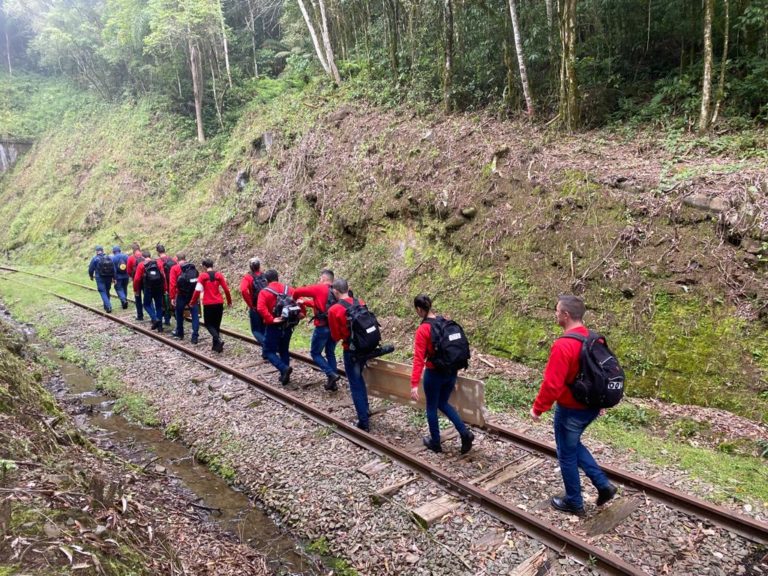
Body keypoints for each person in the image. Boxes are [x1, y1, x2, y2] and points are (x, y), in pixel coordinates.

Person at [530, 295, 618, 515]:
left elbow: (552, 384)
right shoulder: (594, 339)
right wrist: (600, 402)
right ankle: (603, 485)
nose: (556, 314)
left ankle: (574, 502)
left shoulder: (564, 345)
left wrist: (538, 408)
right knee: (573, 445)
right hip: (590, 407)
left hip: (571, 410)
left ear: (566, 315)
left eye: (557, 311)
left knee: (566, 454)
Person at [410, 294, 474, 454]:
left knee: (431, 407)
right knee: (443, 403)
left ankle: (435, 442)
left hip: (434, 374)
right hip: (451, 371)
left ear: (419, 309)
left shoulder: (423, 329)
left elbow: (419, 359)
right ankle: (464, 433)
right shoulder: (444, 321)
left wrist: (414, 384)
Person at [328, 278, 371, 432]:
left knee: (355, 384)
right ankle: (366, 410)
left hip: (350, 350)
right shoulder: (360, 301)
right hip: (366, 347)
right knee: (361, 380)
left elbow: (335, 335)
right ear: (348, 288)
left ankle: (363, 422)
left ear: (335, 291)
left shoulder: (334, 310)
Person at [294, 269, 341, 391]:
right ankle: (332, 383)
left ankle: (331, 373)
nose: (319, 281)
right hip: (335, 328)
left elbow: (298, 291)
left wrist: (294, 300)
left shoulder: (319, 288)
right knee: (330, 352)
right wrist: (305, 302)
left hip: (322, 327)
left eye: (320, 279)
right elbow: (320, 304)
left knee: (315, 353)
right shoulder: (337, 290)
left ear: (324, 279)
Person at [256, 269, 303, 384]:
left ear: (266, 280)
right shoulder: (290, 290)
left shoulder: (264, 292)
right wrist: (301, 315)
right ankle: (284, 377)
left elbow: (260, 308)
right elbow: (300, 304)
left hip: (274, 326)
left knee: (268, 351)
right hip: (288, 325)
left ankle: (284, 369)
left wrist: (271, 319)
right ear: (278, 277)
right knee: (284, 350)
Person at [190, 258, 232, 352]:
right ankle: (216, 347)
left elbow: (197, 291)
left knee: (208, 324)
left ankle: (218, 339)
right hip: (219, 303)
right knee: (216, 325)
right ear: (212, 265)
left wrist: (192, 302)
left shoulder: (202, 276)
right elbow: (226, 289)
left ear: (204, 266)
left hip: (208, 304)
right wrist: (229, 301)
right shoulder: (219, 275)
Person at [169, 253, 200, 344]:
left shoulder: (174, 268)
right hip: (192, 294)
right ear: (185, 258)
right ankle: (195, 336)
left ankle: (180, 333)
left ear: (177, 259)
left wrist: (172, 297)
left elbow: (172, 284)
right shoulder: (192, 268)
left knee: (179, 313)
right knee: (194, 315)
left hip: (181, 295)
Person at [133, 250, 167, 332]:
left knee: (146, 304)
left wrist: (136, 289)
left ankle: (155, 319)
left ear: (142, 257)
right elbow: (163, 276)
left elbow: (137, 279)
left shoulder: (141, 265)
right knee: (158, 306)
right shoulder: (158, 263)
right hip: (159, 288)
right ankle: (160, 327)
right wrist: (165, 288)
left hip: (148, 288)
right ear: (150, 256)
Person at [239, 258, 267, 345]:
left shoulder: (248, 277)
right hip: (267, 306)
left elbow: (243, 290)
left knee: (256, 330)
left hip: (255, 306)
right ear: (259, 266)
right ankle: (266, 353)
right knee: (264, 329)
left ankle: (268, 347)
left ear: (250, 267)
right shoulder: (265, 276)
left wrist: (250, 304)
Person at [88, 245, 115, 313]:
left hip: (99, 278)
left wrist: (91, 276)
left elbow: (91, 269)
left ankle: (108, 306)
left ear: (96, 252)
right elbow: (113, 268)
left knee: (102, 291)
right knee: (107, 291)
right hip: (109, 277)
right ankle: (106, 306)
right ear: (103, 251)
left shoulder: (95, 259)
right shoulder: (109, 257)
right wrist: (114, 277)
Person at [156, 244, 176, 327]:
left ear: (157, 252)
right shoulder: (172, 260)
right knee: (172, 302)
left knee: (163, 304)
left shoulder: (158, 262)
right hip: (172, 285)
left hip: (162, 286)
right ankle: (175, 318)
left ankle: (166, 319)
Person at [126, 243, 144, 321]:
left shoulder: (130, 258)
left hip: (136, 281)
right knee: (148, 298)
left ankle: (140, 315)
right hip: (145, 280)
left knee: (137, 297)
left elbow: (128, 270)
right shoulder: (143, 257)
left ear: (132, 250)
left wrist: (133, 276)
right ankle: (152, 315)